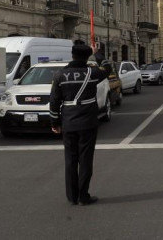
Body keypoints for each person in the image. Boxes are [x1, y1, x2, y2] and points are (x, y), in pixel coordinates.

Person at [49, 42, 110, 206]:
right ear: (86, 56)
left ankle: (72, 196)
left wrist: (55, 121)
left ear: (72, 55)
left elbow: (54, 102)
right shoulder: (92, 72)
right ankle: (83, 196)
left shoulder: (60, 75)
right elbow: (108, 69)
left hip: (68, 123)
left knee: (70, 160)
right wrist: (97, 54)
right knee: (85, 160)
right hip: (88, 124)